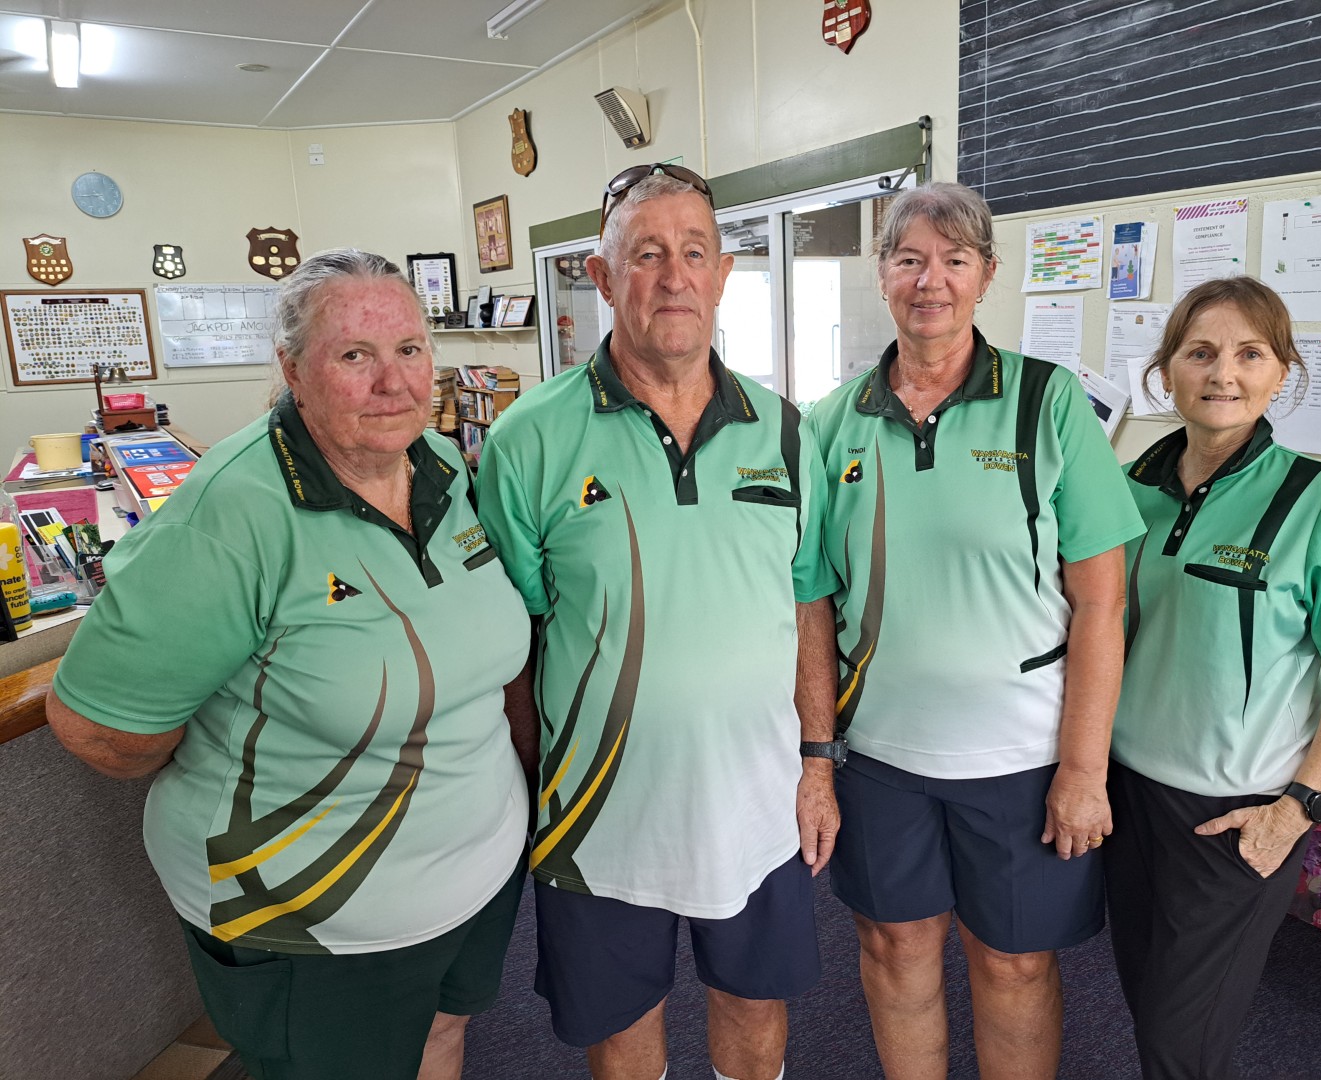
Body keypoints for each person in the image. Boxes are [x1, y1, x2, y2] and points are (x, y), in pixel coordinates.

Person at [46, 249, 537, 1080]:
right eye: (355, 355)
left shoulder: (444, 468)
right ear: (292, 371)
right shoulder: (232, 511)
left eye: (410, 350)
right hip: (314, 918)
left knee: (444, 1037)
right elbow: (99, 729)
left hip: (476, 873)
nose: (394, 382)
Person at [475, 164, 839, 1080]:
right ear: (601, 278)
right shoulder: (530, 438)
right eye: (645, 255)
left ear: (723, 274)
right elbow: (513, 640)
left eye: (693, 253)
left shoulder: (787, 431)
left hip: (756, 804)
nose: (673, 276)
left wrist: (818, 764)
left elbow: (807, 604)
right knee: (623, 1030)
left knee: (756, 1018)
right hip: (600, 815)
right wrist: (531, 785)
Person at [805, 181, 1144, 1080]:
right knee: (894, 953)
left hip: (1022, 760)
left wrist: (1083, 768)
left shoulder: (1049, 404)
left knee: (1014, 962)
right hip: (879, 758)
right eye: (910, 258)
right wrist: (817, 754)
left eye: (954, 260)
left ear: (987, 274)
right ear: (881, 273)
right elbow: (812, 602)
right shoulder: (829, 423)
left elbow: (1104, 605)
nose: (931, 281)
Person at [1106, 276, 1321, 1080]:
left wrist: (1297, 807)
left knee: (1183, 1038)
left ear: (1283, 373)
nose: (1223, 374)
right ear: (1166, 370)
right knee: (1147, 1004)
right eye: (1200, 352)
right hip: (1127, 797)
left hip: (1233, 816)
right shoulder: (1128, 489)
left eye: (1250, 354)